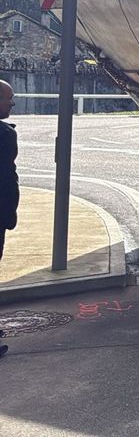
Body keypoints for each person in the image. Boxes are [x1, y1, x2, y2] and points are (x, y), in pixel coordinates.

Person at [0, 80, 17, 357]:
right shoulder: (4, 135)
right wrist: (8, 215)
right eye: (8, 99)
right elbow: (5, 178)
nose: (12, 103)